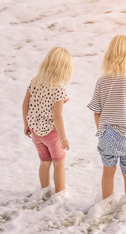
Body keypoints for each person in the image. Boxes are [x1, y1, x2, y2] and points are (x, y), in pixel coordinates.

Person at [87, 35, 126, 204]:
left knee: (108, 171)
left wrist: (102, 132)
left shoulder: (102, 81)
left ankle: (105, 205)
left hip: (107, 136)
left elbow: (96, 112)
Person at [22, 47, 73, 194]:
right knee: (59, 162)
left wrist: (26, 124)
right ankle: (59, 193)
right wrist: (63, 138)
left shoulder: (35, 81)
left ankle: (43, 192)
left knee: (44, 161)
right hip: (51, 134)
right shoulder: (59, 90)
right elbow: (57, 116)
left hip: (35, 132)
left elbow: (25, 104)